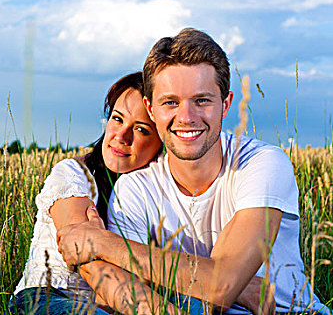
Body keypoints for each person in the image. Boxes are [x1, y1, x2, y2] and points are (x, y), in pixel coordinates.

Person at [57, 28, 331, 314]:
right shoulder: (134, 189)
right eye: (171, 102)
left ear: (225, 105)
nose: (186, 118)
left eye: (202, 100)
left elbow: (221, 286)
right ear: (151, 109)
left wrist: (102, 243)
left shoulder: (262, 164)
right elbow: (128, 294)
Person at [9, 72, 165, 314]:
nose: (121, 136)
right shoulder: (74, 174)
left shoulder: (155, 192)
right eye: (117, 119)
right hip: (50, 297)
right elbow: (84, 257)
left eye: (142, 130)